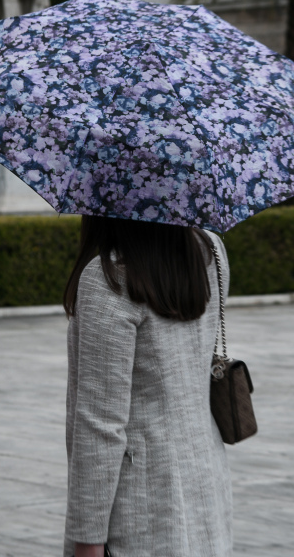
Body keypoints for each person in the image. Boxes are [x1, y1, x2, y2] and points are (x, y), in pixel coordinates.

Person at [61, 217, 232, 557]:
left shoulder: (109, 279)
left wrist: (87, 539)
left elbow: (101, 425)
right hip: (205, 480)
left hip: (138, 506)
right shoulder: (210, 249)